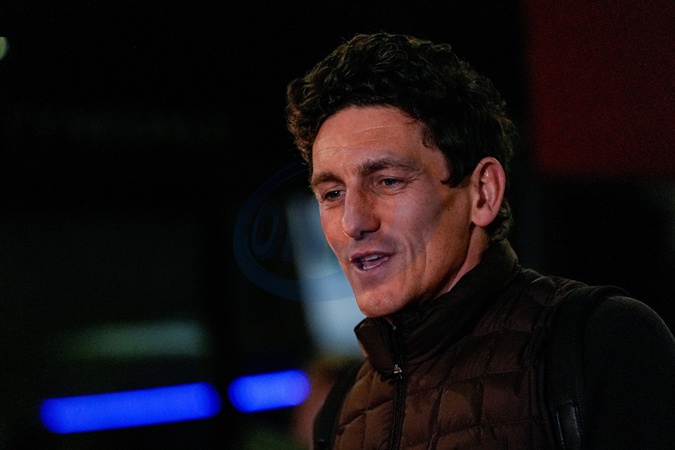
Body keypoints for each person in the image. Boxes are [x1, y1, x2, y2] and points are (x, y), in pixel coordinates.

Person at [285, 32, 675, 449]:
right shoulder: (340, 412)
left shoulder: (601, 342)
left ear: (483, 193)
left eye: (388, 181)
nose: (352, 221)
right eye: (332, 193)